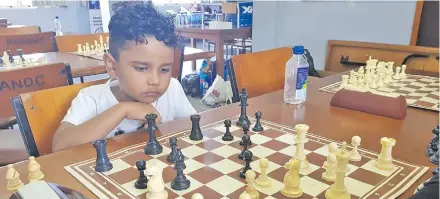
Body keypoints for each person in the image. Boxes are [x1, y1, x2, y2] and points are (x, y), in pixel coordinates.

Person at [52, 1, 196, 152]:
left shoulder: (173, 89)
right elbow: (59, 145)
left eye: (165, 69)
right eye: (141, 68)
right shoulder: (91, 99)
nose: (155, 81)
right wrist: (123, 109)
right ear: (112, 66)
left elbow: (195, 128)